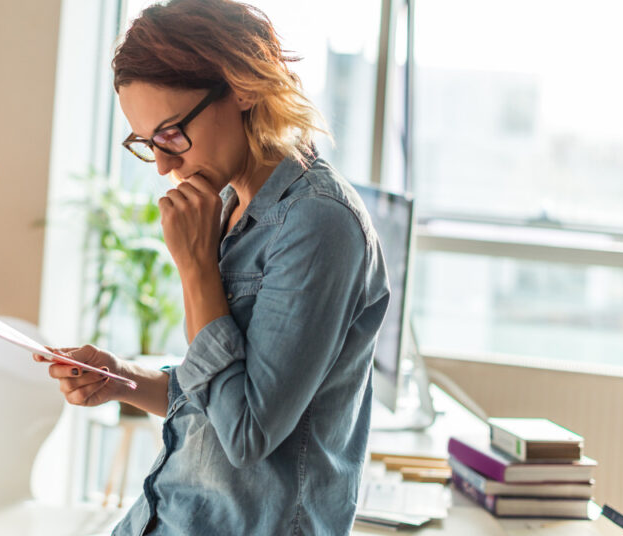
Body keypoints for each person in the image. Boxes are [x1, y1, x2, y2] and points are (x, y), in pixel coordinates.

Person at [35, 0, 390, 533]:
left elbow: (246, 433)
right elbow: (215, 398)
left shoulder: (318, 225)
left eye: (173, 132)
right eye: (146, 142)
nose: (162, 164)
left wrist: (196, 266)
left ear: (243, 85)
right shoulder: (231, 207)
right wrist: (118, 378)